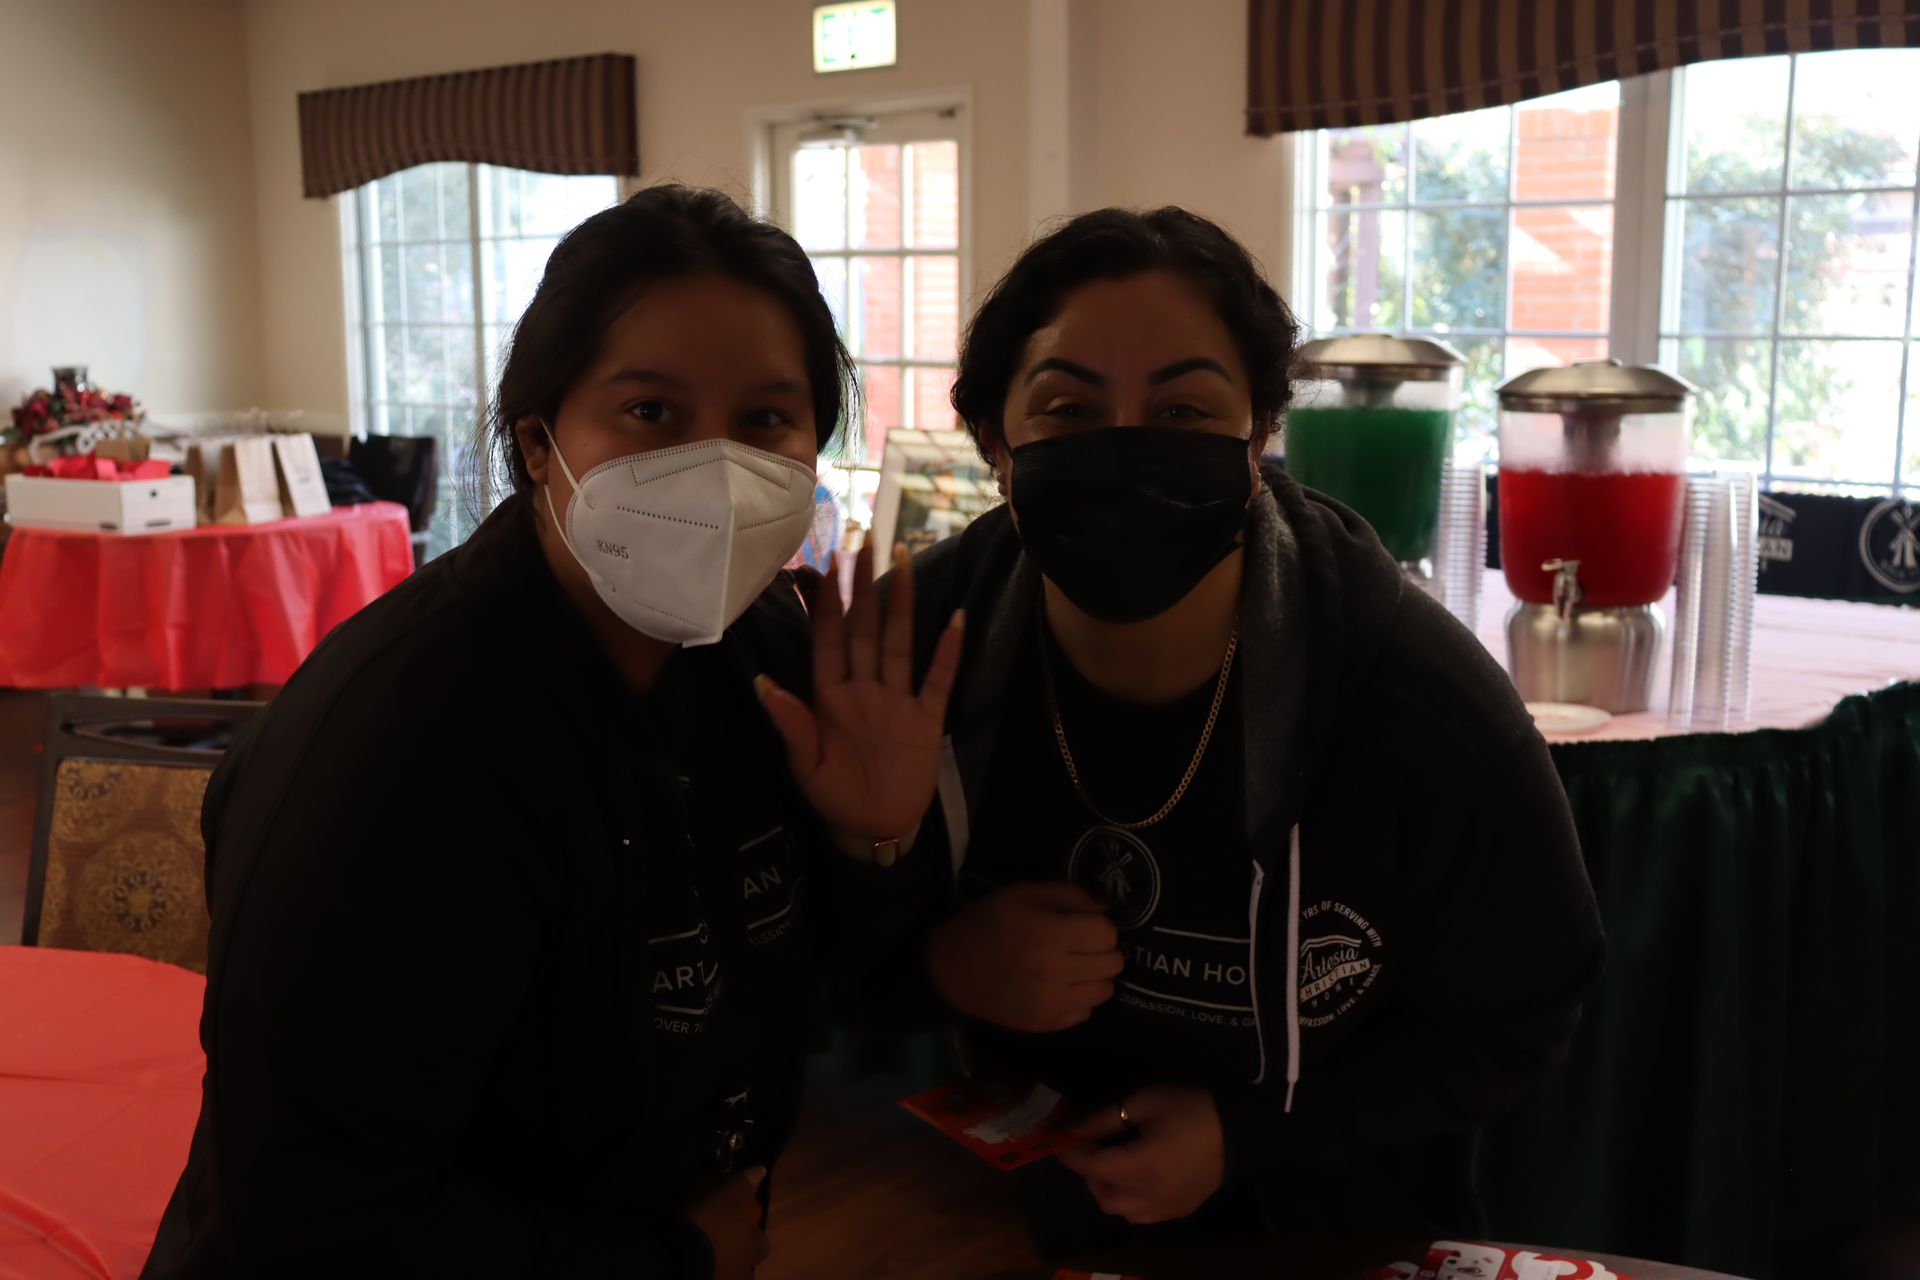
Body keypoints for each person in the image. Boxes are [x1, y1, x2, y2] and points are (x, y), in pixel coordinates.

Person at [141, 185, 959, 1279]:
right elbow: (305, 1206)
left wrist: (875, 842)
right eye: (652, 412)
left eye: (767, 418)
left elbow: (827, 988)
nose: (715, 468)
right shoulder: (402, 745)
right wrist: (665, 1254)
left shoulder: (770, 657)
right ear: (539, 440)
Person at [887, 207, 1606, 1250]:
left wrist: (1254, 1131)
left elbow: (1526, 1009)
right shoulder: (915, 652)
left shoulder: (1419, 701)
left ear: (1262, 430)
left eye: (1183, 409)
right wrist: (938, 963)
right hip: (1002, 1227)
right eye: (1066, 407)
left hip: (1340, 1236)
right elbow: (802, 947)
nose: (1127, 447)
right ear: (994, 439)